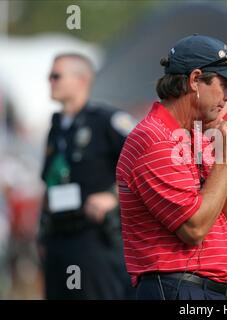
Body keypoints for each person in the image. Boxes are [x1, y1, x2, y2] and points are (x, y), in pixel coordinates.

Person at [116, 34, 227, 300]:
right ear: (194, 81)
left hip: (201, 289)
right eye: (224, 84)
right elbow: (194, 230)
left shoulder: (198, 138)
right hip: (177, 287)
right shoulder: (154, 139)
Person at [39, 53, 135, 299]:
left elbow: (143, 161)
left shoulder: (105, 121)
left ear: (81, 79)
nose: (50, 81)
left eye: (56, 76)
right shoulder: (57, 125)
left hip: (94, 238)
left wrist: (114, 197)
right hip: (58, 235)